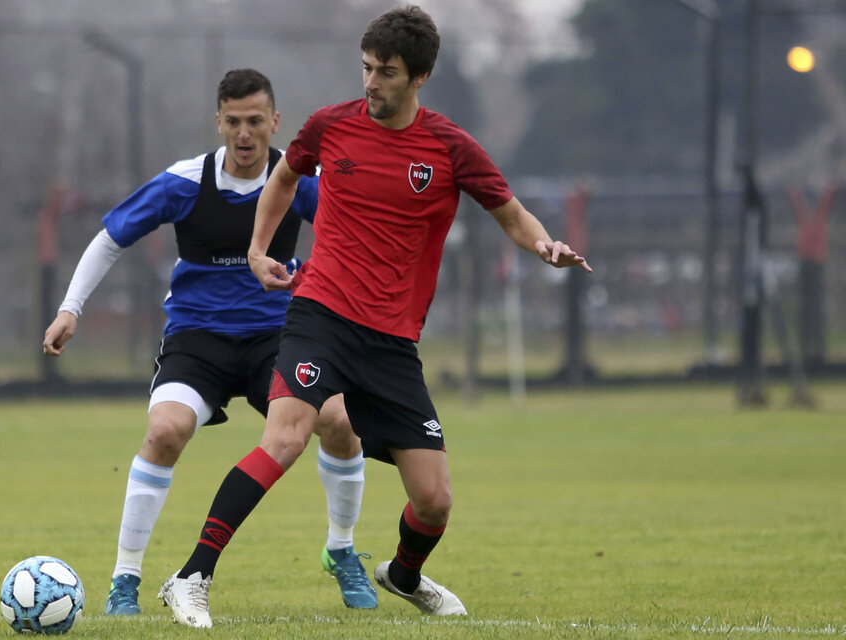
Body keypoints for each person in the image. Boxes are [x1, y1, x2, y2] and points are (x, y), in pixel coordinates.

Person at [159, 6, 592, 628]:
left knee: (435, 500)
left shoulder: (449, 147)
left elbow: (511, 214)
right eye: (366, 69)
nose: (371, 83)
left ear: (419, 76)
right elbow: (282, 180)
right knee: (284, 438)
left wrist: (545, 244)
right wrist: (257, 250)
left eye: (385, 72)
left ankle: (403, 574)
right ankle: (191, 577)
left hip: (391, 343)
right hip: (320, 315)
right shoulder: (330, 127)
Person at [42, 69, 377, 617]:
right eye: (233, 121)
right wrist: (69, 310)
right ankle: (125, 579)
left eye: (255, 121)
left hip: (279, 338)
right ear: (218, 122)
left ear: (274, 122)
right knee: (165, 431)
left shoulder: (299, 179)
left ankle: (341, 549)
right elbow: (110, 238)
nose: (245, 134)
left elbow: (353, 240)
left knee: (339, 421)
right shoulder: (183, 182)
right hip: (198, 340)